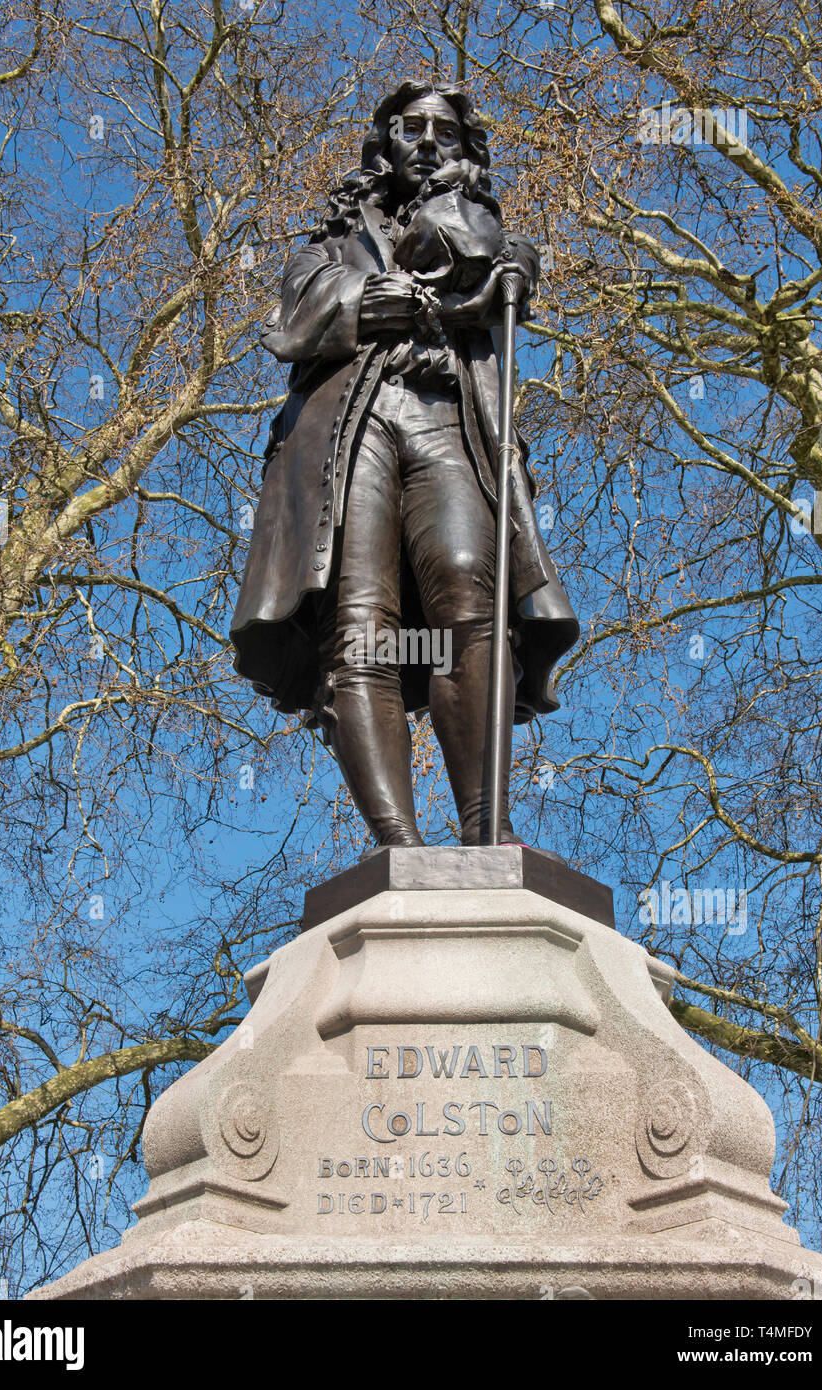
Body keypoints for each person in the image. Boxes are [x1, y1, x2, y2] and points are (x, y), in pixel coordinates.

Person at [231, 80, 578, 848]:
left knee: (468, 596)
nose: (426, 140)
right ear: (382, 145)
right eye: (410, 128)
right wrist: (361, 301)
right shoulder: (330, 243)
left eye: (444, 132)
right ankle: (396, 843)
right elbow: (294, 314)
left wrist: (464, 210)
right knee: (362, 626)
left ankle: (488, 828)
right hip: (351, 429)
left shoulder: (480, 227)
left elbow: (485, 258)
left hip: (446, 419)